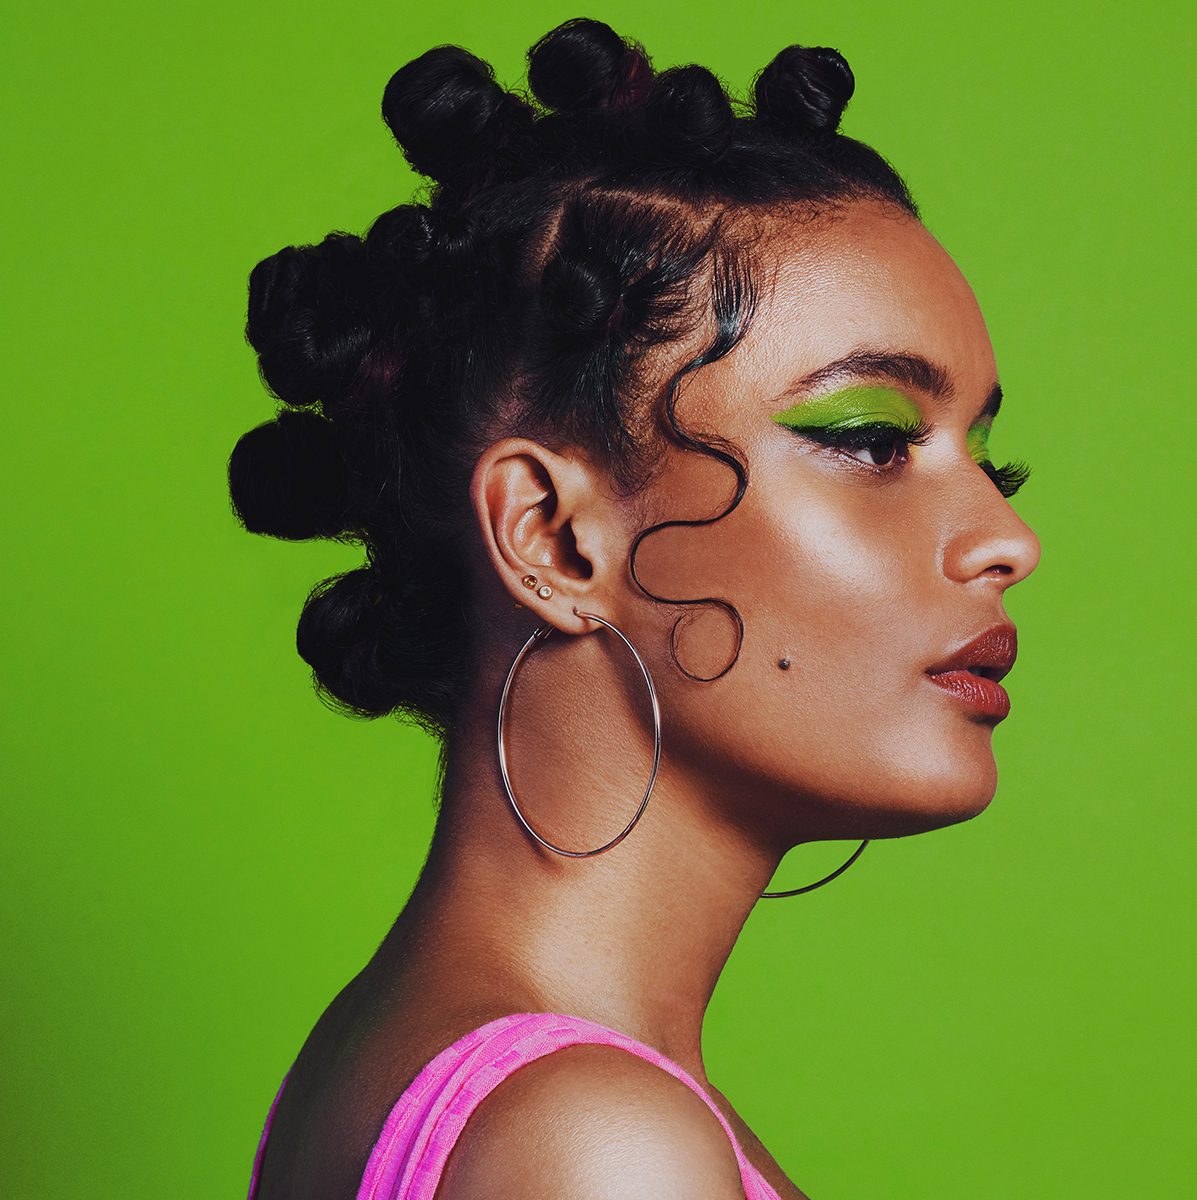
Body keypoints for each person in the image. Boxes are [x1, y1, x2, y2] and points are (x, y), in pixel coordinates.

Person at [233, 19, 1039, 1199]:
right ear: (553, 537)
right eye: (870, 440)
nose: (1004, 537)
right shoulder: (598, 1145)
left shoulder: (394, 1056)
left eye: (990, 463)